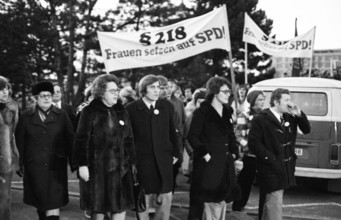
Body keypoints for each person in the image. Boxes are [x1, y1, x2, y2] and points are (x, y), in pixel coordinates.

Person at [72, 74, 136, 220]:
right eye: (112, 91)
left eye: (117, 90)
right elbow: (81, 140)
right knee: (99, 210)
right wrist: (82, 165)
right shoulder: (89, 111)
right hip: (98, 172)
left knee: (120, 208)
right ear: (101, 92)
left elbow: (129, 139)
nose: (116, 94)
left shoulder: (121, 110)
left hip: (121, 171)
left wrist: (132, 163)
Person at [248, 88, 311, 220]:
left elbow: (306, 130)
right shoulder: (261, 119)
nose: (290, 103)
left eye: (290, 99)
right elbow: (254, 144)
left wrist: (299, 114)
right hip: (269, 167)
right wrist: (272, 159)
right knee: (275, 202)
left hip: (285, 166)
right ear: (276, 102)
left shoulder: (289, 116)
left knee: (270, 202)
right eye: (286, 100)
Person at [16, 81, 74, 220]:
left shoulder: (61, 115)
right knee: (41, 204)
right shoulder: (26, 117)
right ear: (36, 98)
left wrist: (76, 163)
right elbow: (20, 142)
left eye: (49, 95)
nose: (47, 98)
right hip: (34, 167)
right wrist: (19, 164)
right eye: (43, 96)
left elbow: (70, 139)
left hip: (56, 167)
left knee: (54, 204)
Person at [126, 74, 180, 220]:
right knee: (143, 197)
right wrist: (132, 162)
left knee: (166, 195)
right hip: (143, 160)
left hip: (164, 159)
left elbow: (172, 132)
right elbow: (128, 139)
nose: (157, 91)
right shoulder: (131, 109)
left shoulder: (167, 106)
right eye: (152, 87)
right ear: (143, 90)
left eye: (158, 87)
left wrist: (176, 154)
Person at [188, 76, 240, 220]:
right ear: (215, 92)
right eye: (225, 91)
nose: (228, 94)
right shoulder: (201, 112)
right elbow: (192, 136)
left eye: (229, 91)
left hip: (224, 162)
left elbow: (231, 135)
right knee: (206, 202)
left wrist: (234, 153)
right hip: (207, 165)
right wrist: (205, 154)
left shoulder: (228, 110)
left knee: (221, 200)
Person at [232, 90, 265, 212]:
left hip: (262, 155)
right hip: (249, 156)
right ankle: (237, 207)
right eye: (260, 99)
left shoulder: (265, 115)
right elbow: (238, 135)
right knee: (245, 183)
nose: (263, 102)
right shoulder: (244, 116)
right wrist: (248, 146)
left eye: (263, 99)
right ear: (253, 101)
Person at [158, 76, 186, 193]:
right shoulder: (159, 103)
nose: (168, 90)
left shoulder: (178, 102)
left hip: (176, 142)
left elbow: (182, 121)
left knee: (173, 171)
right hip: (162, 144)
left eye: (170, 87)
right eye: (164, 87)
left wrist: (179, 133)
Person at [0, 76, 19, 220]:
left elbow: (13, 135)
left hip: (6, 159)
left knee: (5, 199)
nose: (4, 92)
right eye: (0, 89)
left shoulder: (12, 107)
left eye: (6, 89)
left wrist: (15, 157)